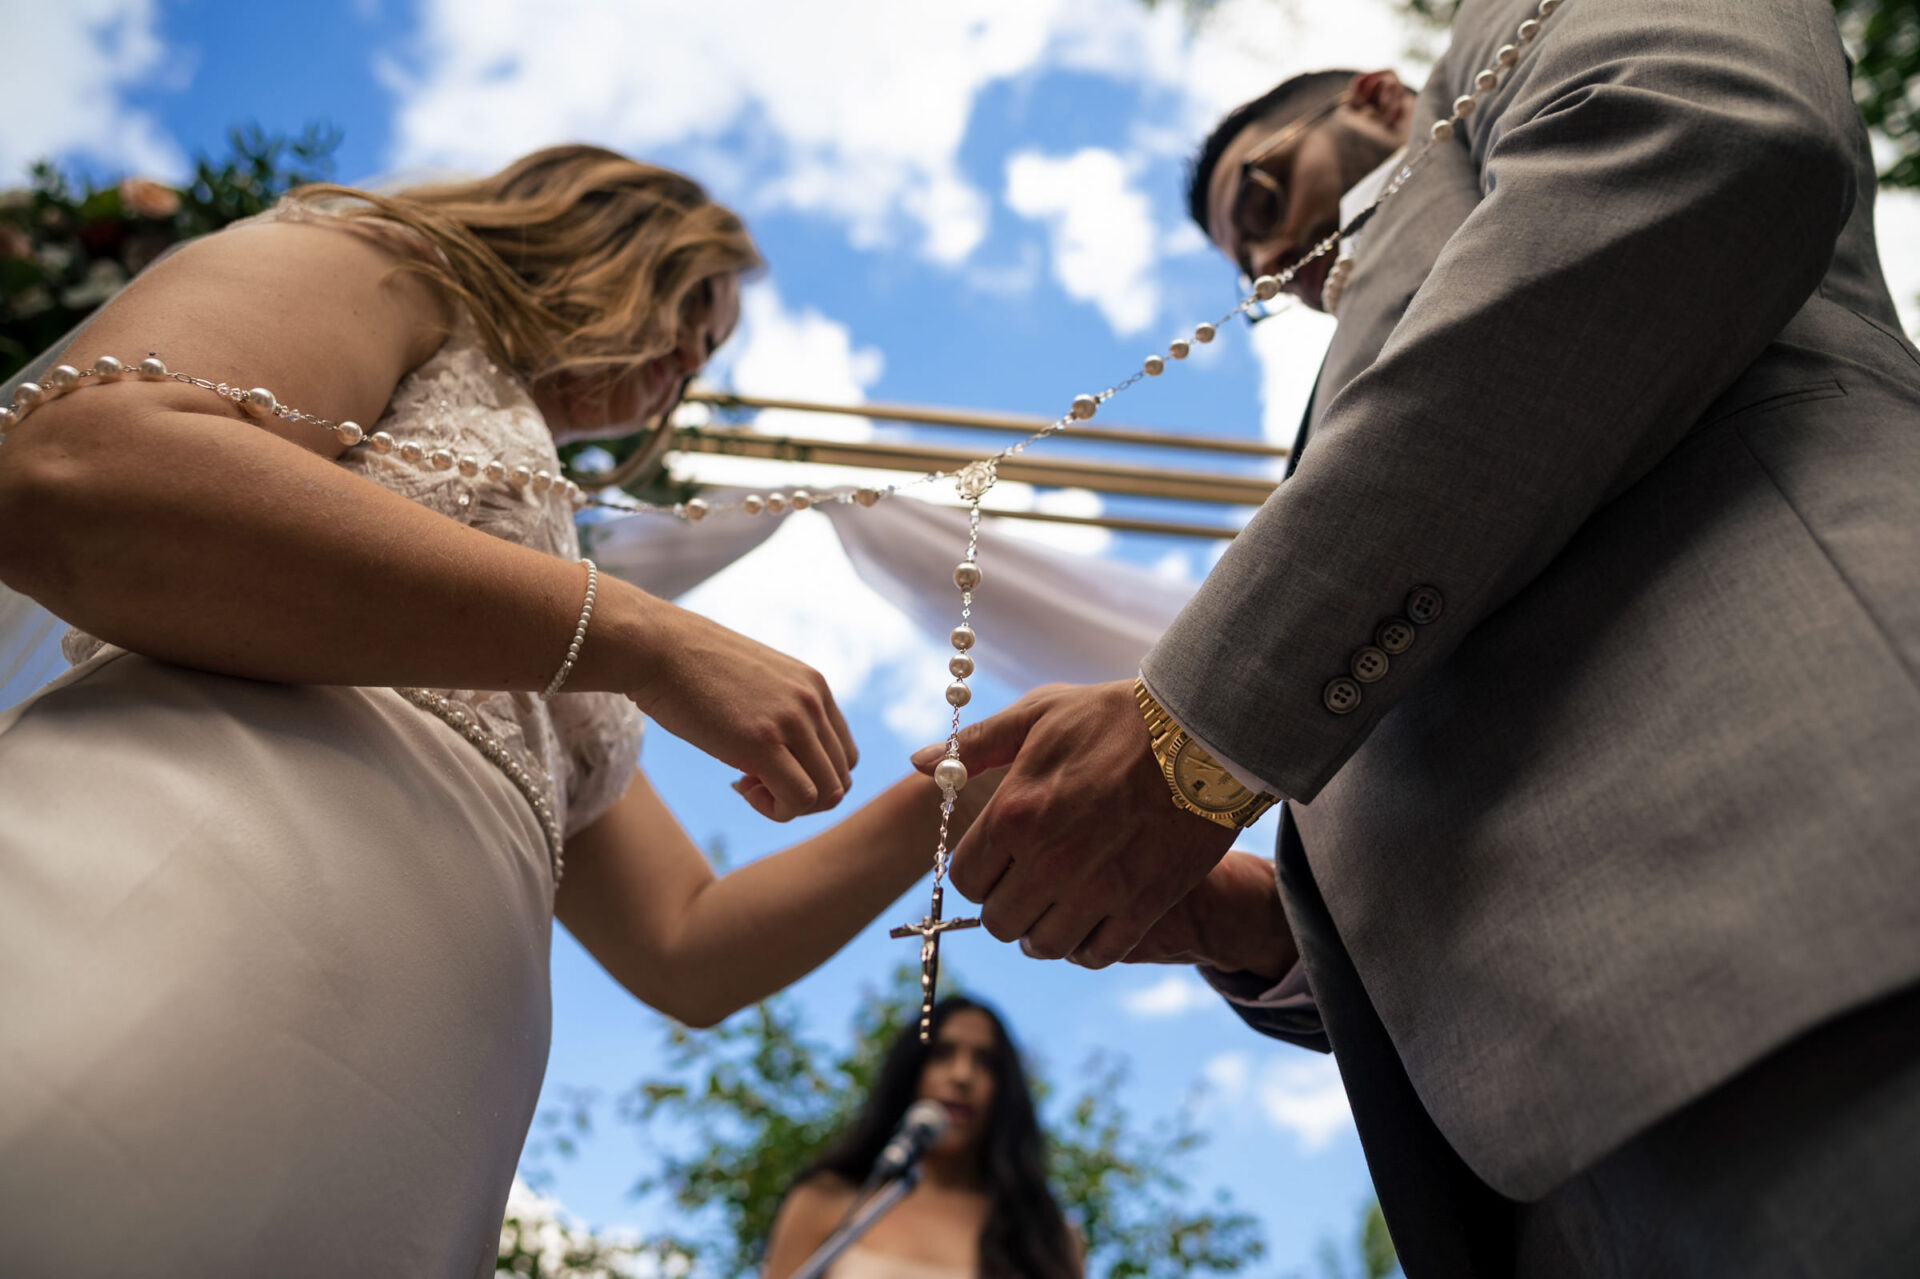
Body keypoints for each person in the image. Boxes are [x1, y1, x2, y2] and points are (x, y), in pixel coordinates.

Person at [915, 0, 1920, 1272]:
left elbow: (1714, 136)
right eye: (1244, 253)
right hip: (1539, 1171)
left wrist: (1200, 733)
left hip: (1832, 922)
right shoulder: (1365, 407)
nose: (1270, 260)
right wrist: (1265, 931)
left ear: (1383, 99)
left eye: (1264, 193)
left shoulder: (1514, 34)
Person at [0, 145, 990, 1276]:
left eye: (704, 353)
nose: (681, 367)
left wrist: (955, 792)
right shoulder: (388, 270)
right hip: (203, 898)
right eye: (683, 311)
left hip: (432, 1106)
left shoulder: (545, 565)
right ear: (601, 243)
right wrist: (651, 638)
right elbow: (88, 469)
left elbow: (688, 948)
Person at [762, 996, 1080, 1279]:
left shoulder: (1046, 1235)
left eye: (985, 1062)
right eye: (942, 1054)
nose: (962, 1076)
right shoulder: (825, 1200)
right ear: (909, 1071)